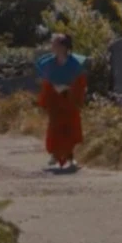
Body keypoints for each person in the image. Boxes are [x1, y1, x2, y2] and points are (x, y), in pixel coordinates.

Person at [35, 33, 87, 170]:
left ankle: (70, 158)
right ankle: (55, 154)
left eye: (56, 44)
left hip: (69, 101)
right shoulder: (48, 63)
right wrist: (53, 88)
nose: (53, 47)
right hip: (55, 102)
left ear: (63, 47)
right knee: (55, 129)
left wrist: (69, 89)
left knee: (70, 129)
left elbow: (80, 82)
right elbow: (45, 81)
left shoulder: (75, 63)